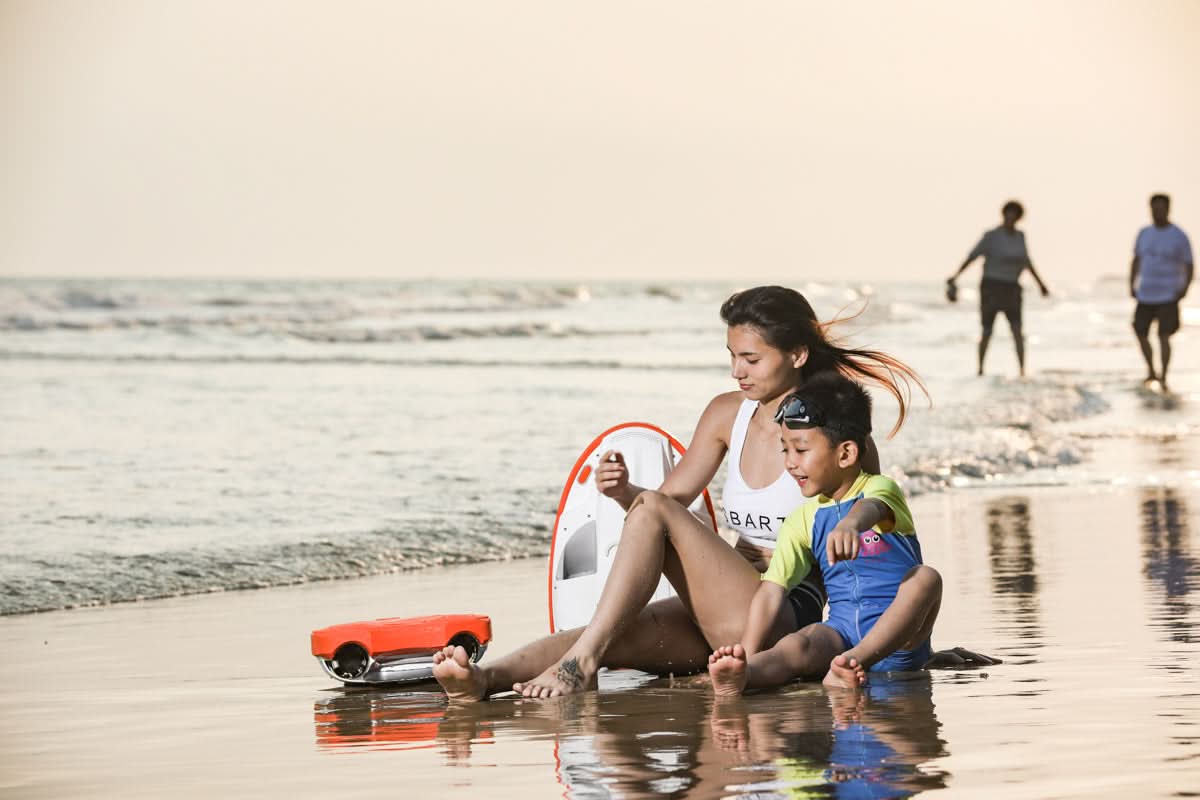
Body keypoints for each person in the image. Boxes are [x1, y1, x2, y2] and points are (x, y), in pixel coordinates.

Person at [432, 285, 926, 700]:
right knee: (611, 635)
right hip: (721, 605)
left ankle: (580, 666)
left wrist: (905, 649)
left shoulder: (827, 432)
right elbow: (659, 508)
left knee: (602, 631)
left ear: (797, 355)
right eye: (732, 356)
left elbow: (879, 549)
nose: (738, 370)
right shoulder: (724, 414)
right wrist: (625, 492)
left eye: (751, 358)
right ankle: (484, 678)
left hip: (784, 614)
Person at [708, 373, 941, 694]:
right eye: (784, 450)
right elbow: (772, 591)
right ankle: (745, 675)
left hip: (901, 644)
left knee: (925, 578)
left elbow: (873, 508)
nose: (790, 464)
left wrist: (850, 525)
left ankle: (853, 662)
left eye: (801, 450)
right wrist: (746, 651)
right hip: (841, 634)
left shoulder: (880, 489)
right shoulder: (803, 519)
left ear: (845, 454)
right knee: (800, 644)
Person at [947, 201, 1050, 377]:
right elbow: (972, 257)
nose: (1011, 217)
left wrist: (1041, 284)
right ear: (1003, 214)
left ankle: (1022, 370)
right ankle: (980, 369)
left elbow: (1027, 262)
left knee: (1017, 330)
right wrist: (956, 276)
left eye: (1014, 214)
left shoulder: (1020, 237)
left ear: (1018, 217)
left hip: (1012, 288)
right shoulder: (991, 236)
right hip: (991, 287)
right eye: (1008, 213)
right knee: (987, 330)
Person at [1131, 193, 1193, 391]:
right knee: (1140, 331)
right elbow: (1136, 259)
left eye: (1161, 208)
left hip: (1168, 293)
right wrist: (1131, 283)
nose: (1157, 212)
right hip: (1145, 293)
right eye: (1154, 208)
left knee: (1163, 335)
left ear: (1168, 209)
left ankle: (1164, 376)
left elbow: (1190, 264)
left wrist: (1184, 289)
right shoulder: (1144, 233)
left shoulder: (1178, 235)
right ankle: (1151, 370)